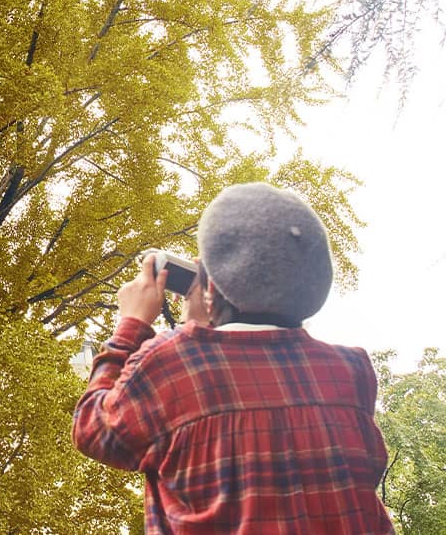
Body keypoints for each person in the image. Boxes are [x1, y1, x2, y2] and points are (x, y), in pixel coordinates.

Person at [72, 182, 394, 534]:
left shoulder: (172, 363)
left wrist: (130, 327)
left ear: (210, 286)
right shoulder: (352, 372)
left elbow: (94, 430)